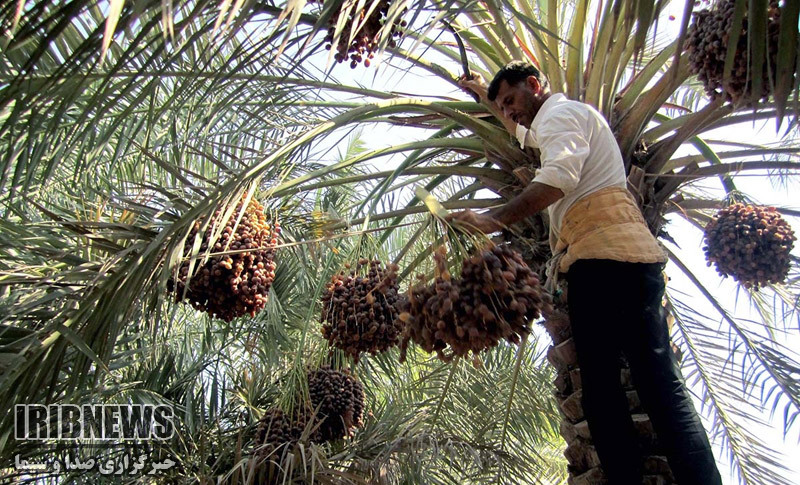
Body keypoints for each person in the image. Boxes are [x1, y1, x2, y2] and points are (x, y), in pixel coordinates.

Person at [450, 61, 722, 485]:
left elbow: (559, 176)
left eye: (512, 100)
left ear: (535, 86)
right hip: (632, 259)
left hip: (601, 262)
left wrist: (494, 219)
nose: (510, 110)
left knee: (603, 395)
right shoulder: (563, 120)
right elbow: (524, 134)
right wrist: (482, 95)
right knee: (659, 387)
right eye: (503, 105)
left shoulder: (560, 115)